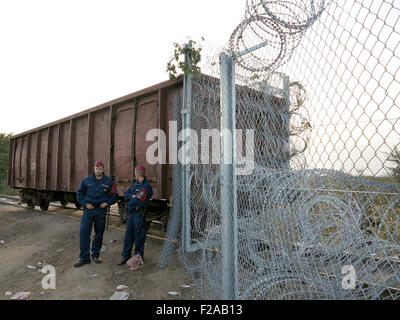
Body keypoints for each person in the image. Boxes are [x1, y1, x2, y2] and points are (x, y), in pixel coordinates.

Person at [73, 160, 118, 267]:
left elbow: (114, 194)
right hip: (88, 211)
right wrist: (85, 204)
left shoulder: (108, 182)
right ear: (94, 169)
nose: (98, 170)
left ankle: (95, 255)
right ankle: (84, 258)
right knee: (84, 233)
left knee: (99, 233)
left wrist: (107, 202)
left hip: (100, 212)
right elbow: (79, 193)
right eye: (97, 168)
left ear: (103, 169)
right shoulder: (87, 180)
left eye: (100, 168)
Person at [117, 165, 153, 266]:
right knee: (128, 235)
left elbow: (137, 201)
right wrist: (131, 197)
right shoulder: (135, 184)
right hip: (132, 214)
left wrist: (131, 198)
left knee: (139, 236)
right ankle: (126, 256)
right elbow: (126, 194)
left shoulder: (146, 187)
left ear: (137, 173)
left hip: (139, 214)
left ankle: (138, 258)